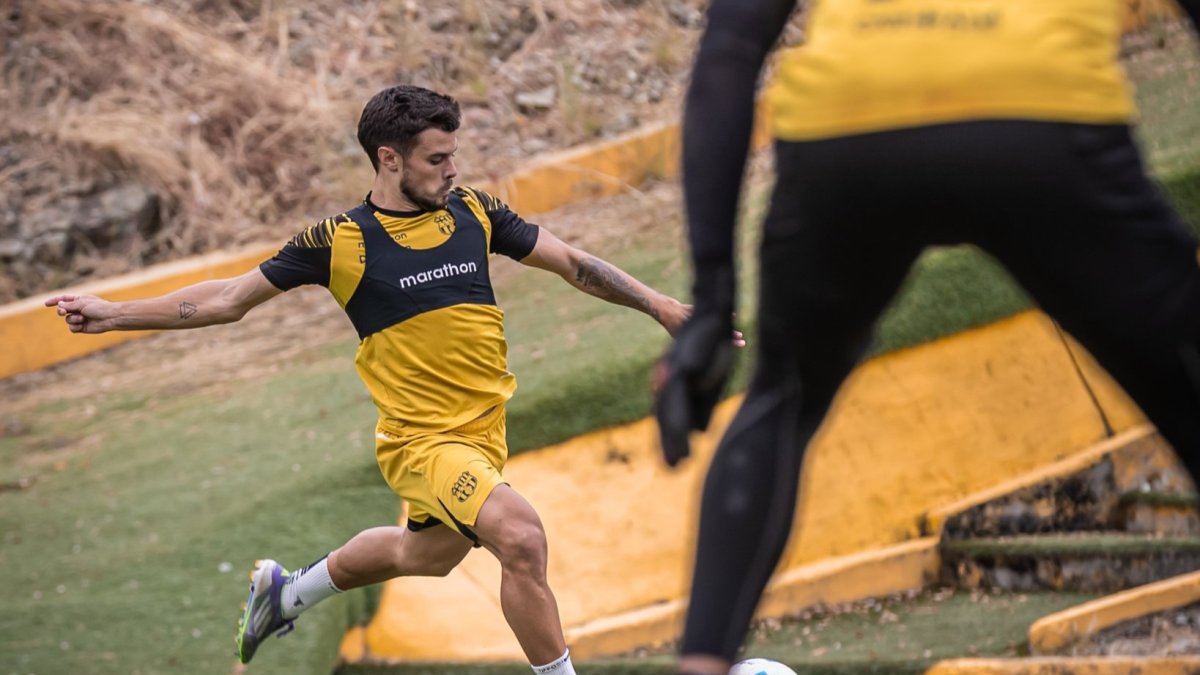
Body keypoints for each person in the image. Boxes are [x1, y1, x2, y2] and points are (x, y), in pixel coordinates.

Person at [47, 84, 693, 673]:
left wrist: (662, 306)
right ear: (389, 159)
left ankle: (286, 591)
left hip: (483, 436)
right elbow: (226, 300)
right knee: (521, 536)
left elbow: (575, 264)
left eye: (453, 155)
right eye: (437, 159)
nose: (453, 169)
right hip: (423, 444)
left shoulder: (473, 211)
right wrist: (114, 314)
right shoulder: (340, 242)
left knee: (426, 556)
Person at [654, 1, 1200, 674]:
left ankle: (702, 663)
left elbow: (730, 47)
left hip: (850, 126)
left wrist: (713, 297)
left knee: (780, 403)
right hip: (1036, 106)